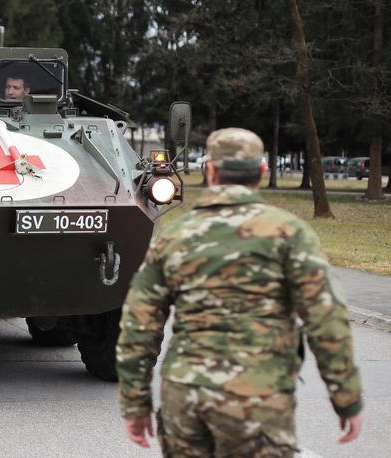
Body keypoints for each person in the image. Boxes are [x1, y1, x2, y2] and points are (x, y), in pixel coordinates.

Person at [116, 128, 363, 456]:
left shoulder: (174, 236)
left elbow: (138, 325)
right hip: (259, 398)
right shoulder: (290, 234)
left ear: (210, 170)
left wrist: (136, 404)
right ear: (261, 172)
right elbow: (327, 320)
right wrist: (346, 400)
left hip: (186, 399)